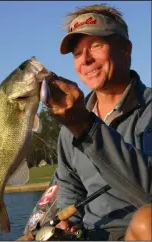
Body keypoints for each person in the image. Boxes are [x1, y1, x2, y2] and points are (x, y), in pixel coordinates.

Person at [44, 3, 152, 241]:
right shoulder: (71, 123)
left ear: (125, 49)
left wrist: (86, 127)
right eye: (77, 53)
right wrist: (66, 223)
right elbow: (70, 190)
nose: (86, 60)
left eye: (96, 45)